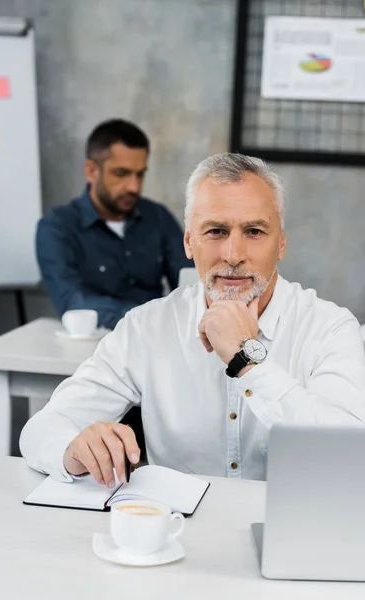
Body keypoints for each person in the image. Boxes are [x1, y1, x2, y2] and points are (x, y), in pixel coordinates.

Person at [21, 152, 365, 483]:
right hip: (177, 533)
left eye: (254, 232)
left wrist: (246, 359)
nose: (233, 255)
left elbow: (349, 452)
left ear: (281, 244)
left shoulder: (329, 329)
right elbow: (43, 429)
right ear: (188, 242)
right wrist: (73, 450)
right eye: (215, 231)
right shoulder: (146, 328)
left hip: (292, 531)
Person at [36, 118, 191, 330]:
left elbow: (191, 286)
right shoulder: (57, 228)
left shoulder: (158, 218)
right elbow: (74, 303)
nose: (134, 187)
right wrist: (149, 319)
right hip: (91, 348)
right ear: (92, 171)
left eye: (140, 174)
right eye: (121, 173)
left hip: (154, 344)